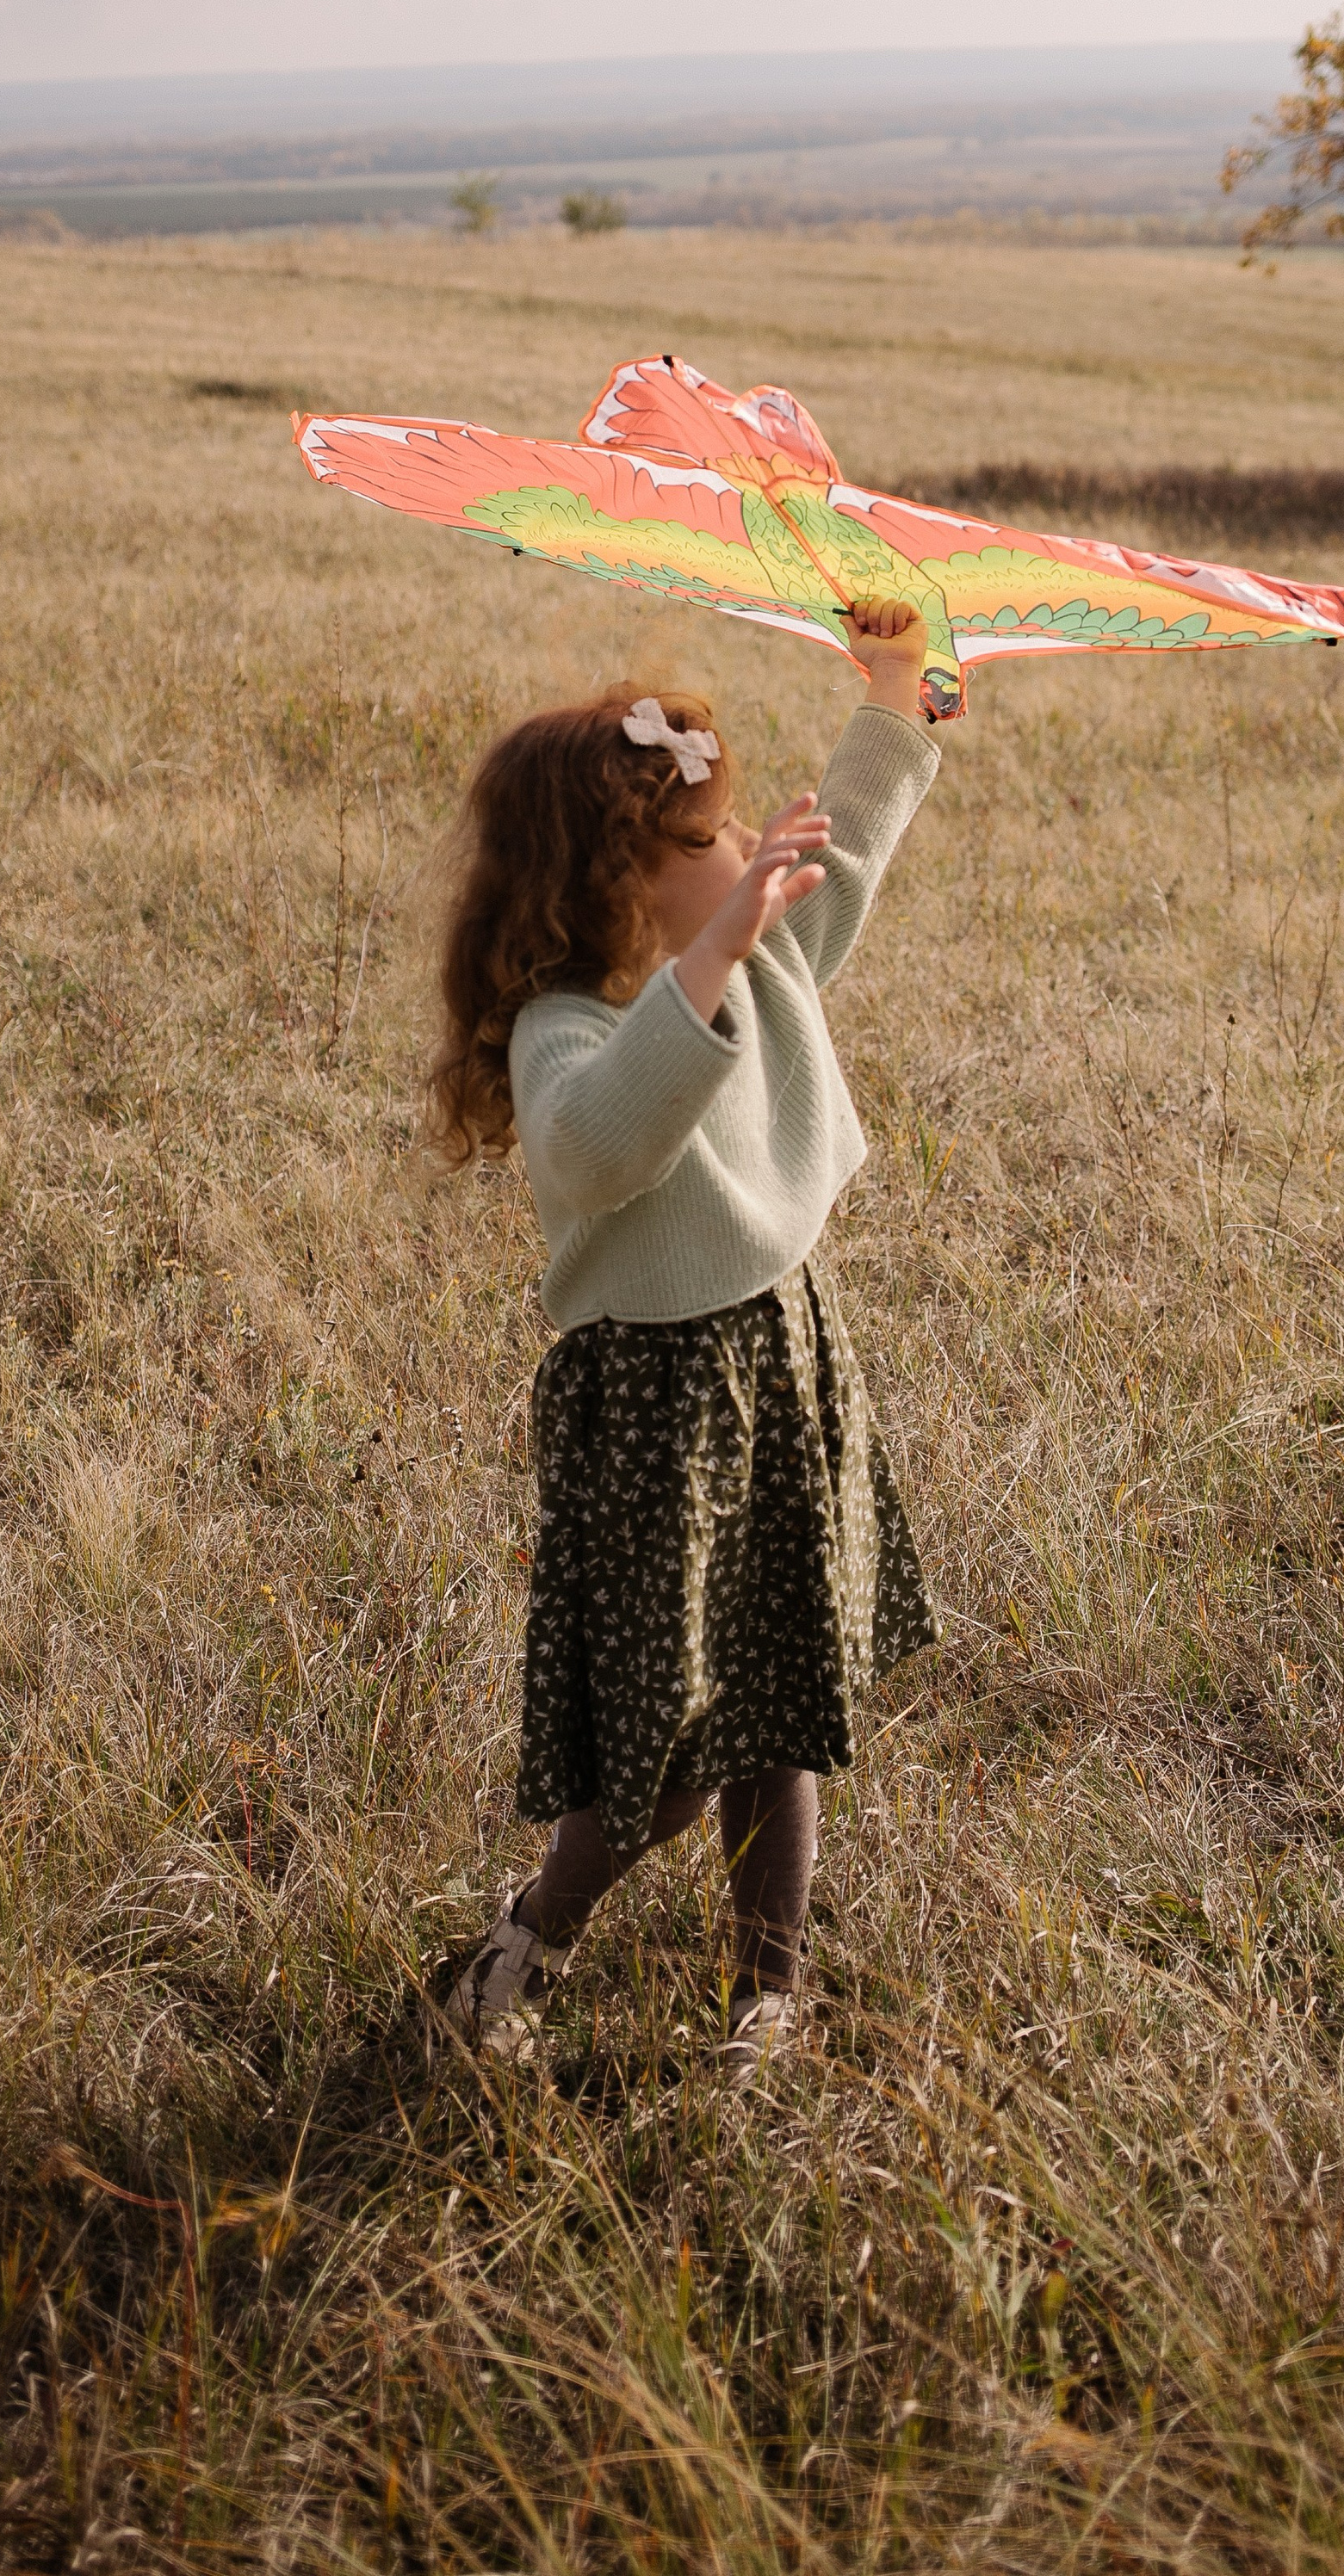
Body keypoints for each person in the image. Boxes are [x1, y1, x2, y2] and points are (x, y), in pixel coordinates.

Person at [426, 597, 945, 2080]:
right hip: (654, 1401)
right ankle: (524, 1942)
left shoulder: (754, 950)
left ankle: (765, 1994)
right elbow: (598, 1149)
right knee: (661, 1739)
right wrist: (716, 947)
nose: (751, 850)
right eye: (708, 836)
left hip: (781, 1353)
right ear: (621, 885)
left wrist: (894, 696)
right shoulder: (570, 1028)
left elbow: (840, 859)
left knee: (785, 1698)